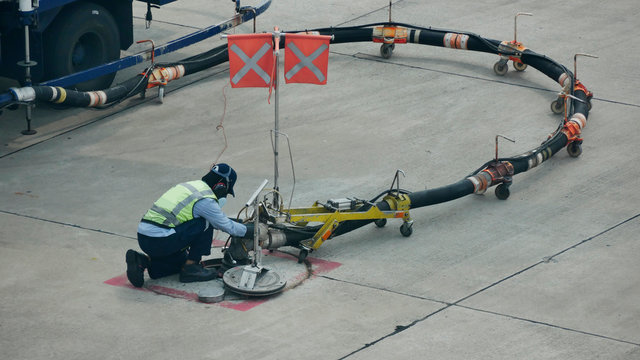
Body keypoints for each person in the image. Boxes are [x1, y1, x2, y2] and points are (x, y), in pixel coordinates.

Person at [125, 163, 253, 287]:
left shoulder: (192, 187)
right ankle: (192, 267)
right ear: (221, 185)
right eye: (226, 191)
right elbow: (227, 226)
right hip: (161, 240)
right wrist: (253, 231)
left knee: (180, 263)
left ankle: (142, 261)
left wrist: (239, 224)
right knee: (205, 223)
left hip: (145, 237)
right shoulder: (206, 199)